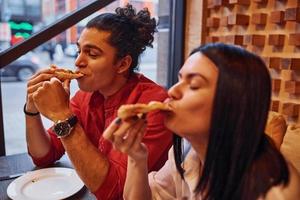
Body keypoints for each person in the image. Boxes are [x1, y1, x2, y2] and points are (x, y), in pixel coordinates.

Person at [104, 43, 300, 200]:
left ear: (233, 103)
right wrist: (137, 158)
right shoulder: (188, 151)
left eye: (194, 84)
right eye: (180, 79)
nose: (172, 91)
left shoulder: (275, 192)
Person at [24, 4, 172, 199]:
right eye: (79, 51)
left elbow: (114, 191)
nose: (78, 62)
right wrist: (31, 109)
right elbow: (44, 155)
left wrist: (62, 115)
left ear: (122, 64)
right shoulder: (85, 96)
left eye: (92, 54)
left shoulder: (152, 105)